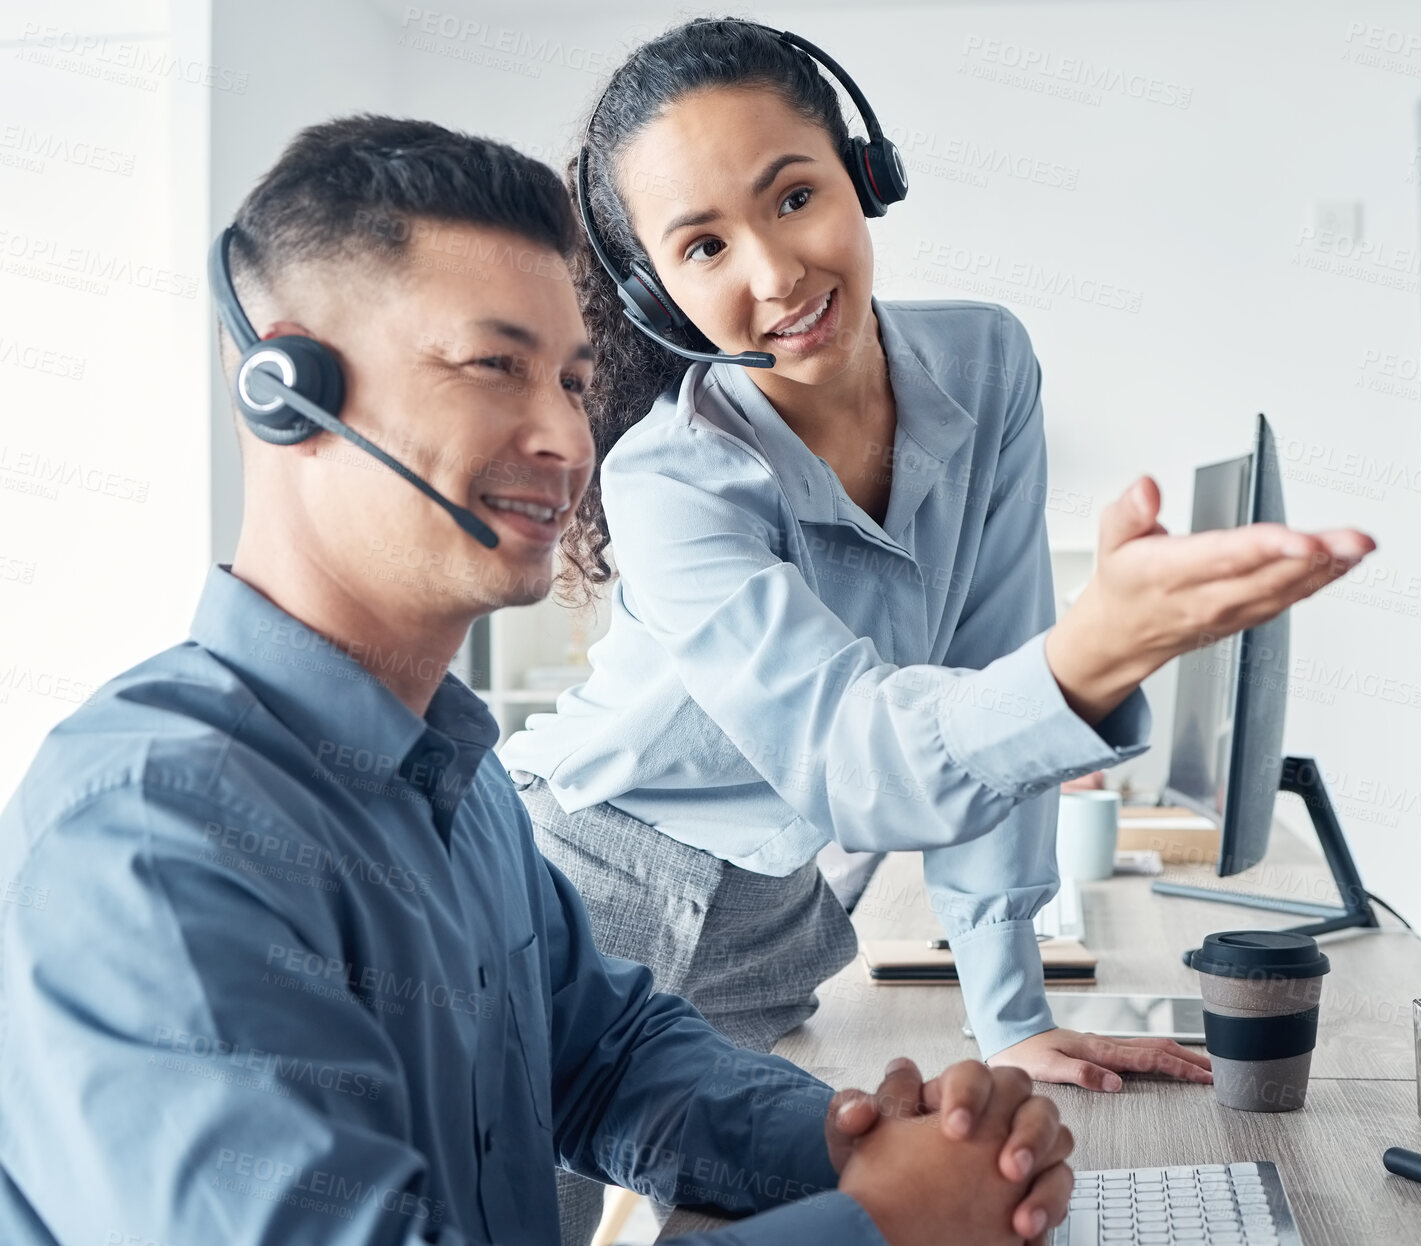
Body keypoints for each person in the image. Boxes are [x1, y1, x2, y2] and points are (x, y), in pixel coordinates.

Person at [0, 115, 1079, 1246]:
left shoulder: (454, 784)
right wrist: (879, 1224)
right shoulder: (151, 841)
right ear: (287, 386)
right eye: (495, 365)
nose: (568, 433)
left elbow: (607, 1059)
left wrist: (860, 1139)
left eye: (572, 377)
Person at [500, 22, 1372, 1236]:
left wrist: (1009, 1010)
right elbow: (856, 757)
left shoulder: (987, 362)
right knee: (510, 1221)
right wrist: (1090, 659)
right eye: (704, 245)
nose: (775, 274)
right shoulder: (673, 477)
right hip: (588, 891)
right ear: (656, 288)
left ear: (865, 172)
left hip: (775, 932)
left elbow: (985, 665)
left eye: (794, 195)